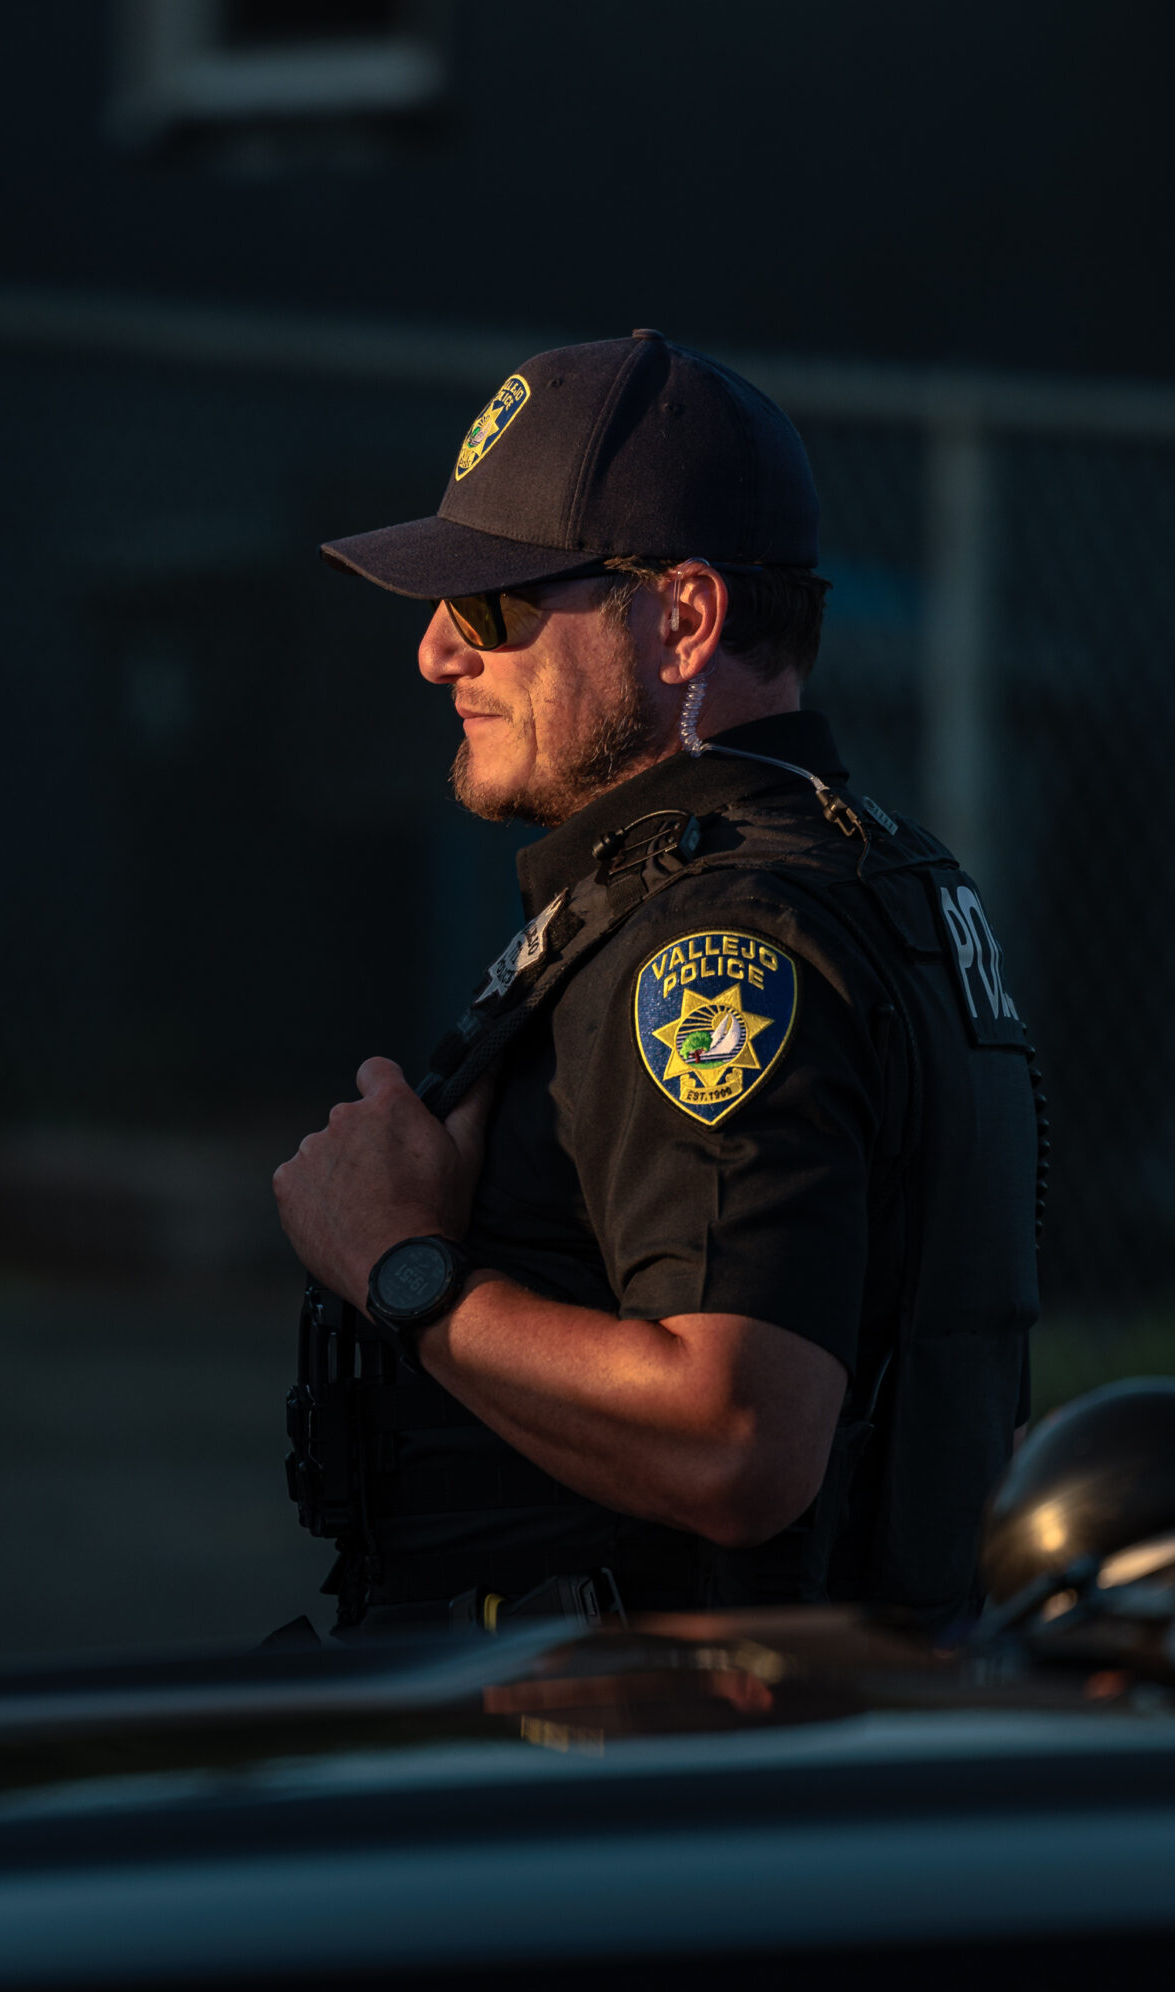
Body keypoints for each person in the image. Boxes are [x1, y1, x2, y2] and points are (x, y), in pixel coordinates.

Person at [275, 329, 1042, 1630]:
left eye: (495, 604)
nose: (438, 655)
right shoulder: (863, 876)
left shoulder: (720, 941)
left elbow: (737, 1438)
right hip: (721, 1749)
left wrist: (398, 1265)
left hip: (627, 1759)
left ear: (682, 619)